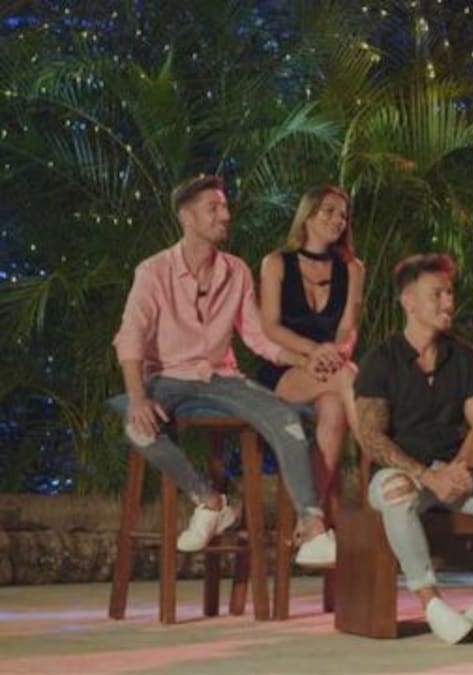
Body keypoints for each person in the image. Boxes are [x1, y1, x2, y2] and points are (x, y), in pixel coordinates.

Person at [113, 174, 335, 565]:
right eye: (213, 208)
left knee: (286, 419)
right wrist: (137, 397)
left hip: (221, 378)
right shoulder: (153, 271)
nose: (225, 215)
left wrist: (303, 360)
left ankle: (314, 528)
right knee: (139, 428)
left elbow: (257, 337)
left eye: (225, 206)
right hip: (166, 378)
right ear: (187, 217)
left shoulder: (236, 271)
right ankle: (210, 501)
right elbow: (130, 334)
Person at [354, 254, 473, 645]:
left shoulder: (464, 356)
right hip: (404, 475)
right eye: (437, 294)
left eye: (450, 293)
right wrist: (428, 477)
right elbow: (371, 438)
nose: (448, 302)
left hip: (455, 471)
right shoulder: (381, 360)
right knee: (395, 490)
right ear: (408, 301)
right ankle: (432, 604)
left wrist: (461, 469)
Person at [258, 185, 364, 505]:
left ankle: (311, 514)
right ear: (307, 215)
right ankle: (377, 453)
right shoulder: (276, 263)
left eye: (343, 215)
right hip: (287, 369)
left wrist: (338, 352)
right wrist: (313, 351)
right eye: (329, 211)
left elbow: (348, 328)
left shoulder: (353, 268)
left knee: (334, 407)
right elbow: (270, 326)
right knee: (348, 376)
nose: (338, 220)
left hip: (332, 365)